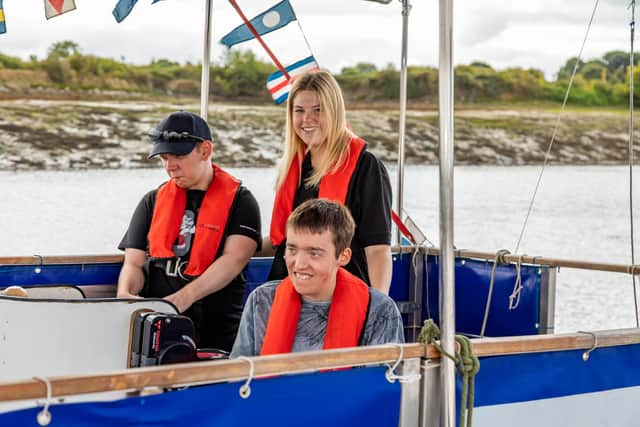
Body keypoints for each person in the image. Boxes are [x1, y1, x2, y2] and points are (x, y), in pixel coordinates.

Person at [117, 111, 261, 352]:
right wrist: (125, 294)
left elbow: (234, 261)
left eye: (178, 155)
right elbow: (134, 263)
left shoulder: (242, 202)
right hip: (159, 331)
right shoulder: (151, 202)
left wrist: (179, 300)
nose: (169, 166)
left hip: (217, 334)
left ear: (205, 150)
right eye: (163, 157)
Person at [266, 70, 393, 294]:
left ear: (335, 112)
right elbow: (283, 240)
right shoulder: (294, 169)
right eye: (299, 111)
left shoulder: (367, 168)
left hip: (342, 296)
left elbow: (378, 250)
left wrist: (378, 310)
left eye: (318, 110)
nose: (307, 119)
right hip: (288, 292)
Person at [231, 199, 403, 358]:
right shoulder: (260, 301)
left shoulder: (381, 312)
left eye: (314, 253)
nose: (299, 264)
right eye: (292, 249)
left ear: (343, 257)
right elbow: (238, 379)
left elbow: (382, 386)